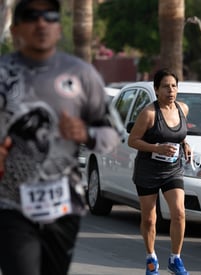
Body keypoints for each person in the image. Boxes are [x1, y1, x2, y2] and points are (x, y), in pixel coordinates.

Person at [0, 0, 122, 274]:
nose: (41, 23)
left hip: (63, 205)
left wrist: (87, 133)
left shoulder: (81, 74)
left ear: (58, 29)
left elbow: (113, 135)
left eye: (50, 16)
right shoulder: (3, 74)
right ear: (16, 28)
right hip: (10, 203)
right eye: (32, 16)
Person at [128, 68, 192, 275]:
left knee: (179, 213)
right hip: (148, 171)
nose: (170, 90)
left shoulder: (183, 109)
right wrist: (156, 148)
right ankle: (151, 258)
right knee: (149, 218)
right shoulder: (149, 113)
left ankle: (175, 258)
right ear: (156, 90)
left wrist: (185, 143)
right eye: (165, 86)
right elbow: (133, 140)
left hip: (173, 169)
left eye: (174, 86)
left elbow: (179, 133)